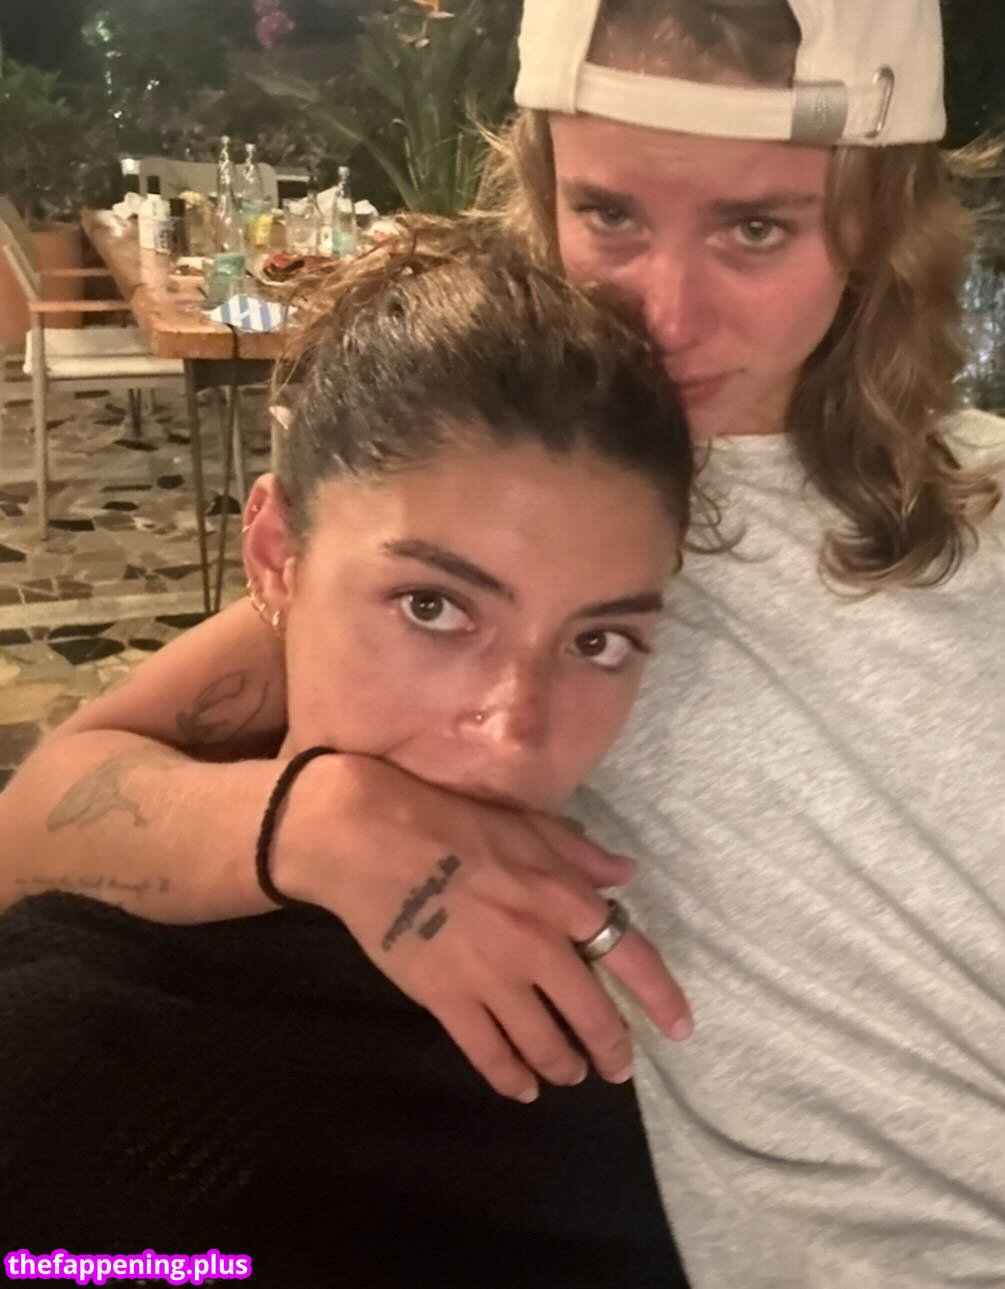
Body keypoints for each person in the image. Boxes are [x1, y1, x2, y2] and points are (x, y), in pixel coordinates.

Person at [1, 0, 1005, 1285]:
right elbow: (41, 816)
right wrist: (321, 821)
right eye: (610, 213)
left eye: (755, 228)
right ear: (543, 184)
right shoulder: (527, 518)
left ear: (875, 218)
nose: (667, 313)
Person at [0, 217, 694, 1288]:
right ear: (274, 555)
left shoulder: (663, 990)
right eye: (433, 606)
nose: (515, 725)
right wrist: (314, 818)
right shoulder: (78, 1057)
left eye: (598, 641)